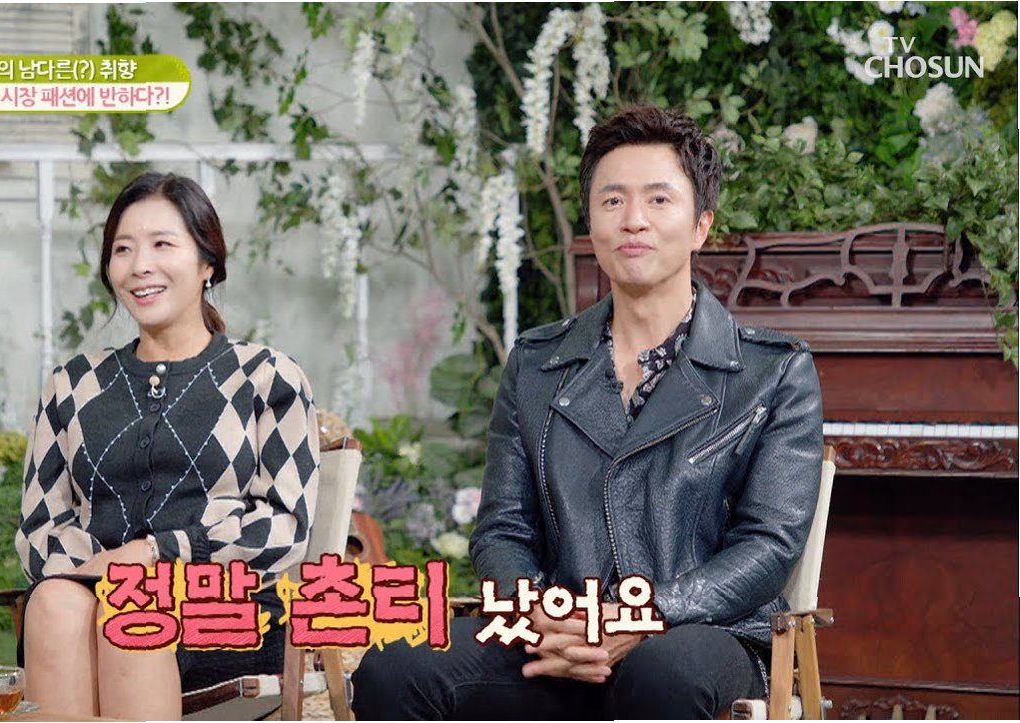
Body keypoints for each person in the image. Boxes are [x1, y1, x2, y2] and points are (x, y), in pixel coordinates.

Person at [352, 105, 824, 719]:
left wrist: (645, 615)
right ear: (592, 223)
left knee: (664, 672)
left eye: (659, 200)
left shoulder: (773, 371)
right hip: (557, 629)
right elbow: (502, 529)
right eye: (612, 200)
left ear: (701, 225)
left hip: (703, 634)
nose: (633, 220)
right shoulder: (536, 364)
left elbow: (767, 544)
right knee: (395, 667)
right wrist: (539, 612)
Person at [14, 172, 320, 719]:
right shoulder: (73, 385)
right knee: (57, 603)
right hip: (92, 601)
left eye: (162, 244)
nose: (140, 266)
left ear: (208, 264)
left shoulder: (266, 377)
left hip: (224, 612)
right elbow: (40, 530)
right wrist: (107, 571)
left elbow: (284, 527)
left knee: (128, 614)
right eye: (123, 249)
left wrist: (159, 553)